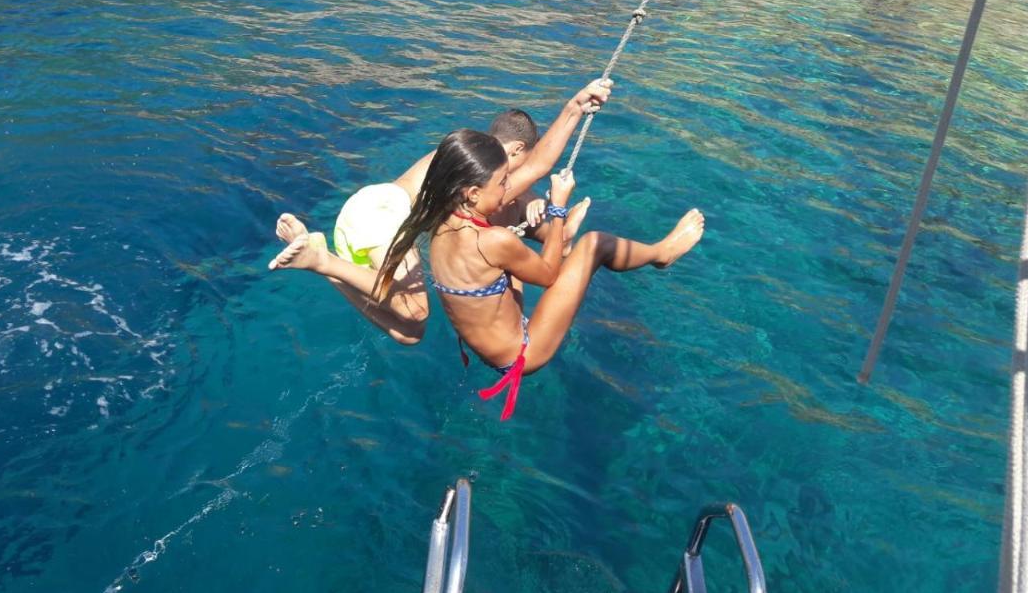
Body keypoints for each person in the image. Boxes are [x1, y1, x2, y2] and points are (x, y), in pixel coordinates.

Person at [375, 129, 705, 420]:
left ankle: (560, 242)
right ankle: (662, 254)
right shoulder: (491, 241)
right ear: (472, 192)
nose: (507, 189)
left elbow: (501, 217)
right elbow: (548, 277)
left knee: (509, 225)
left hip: (488, 342)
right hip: (522, 352)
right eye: (502, 182)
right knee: (593, 244)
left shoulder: (441, 223)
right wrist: (558, 207)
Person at [267, 80, 612, 344]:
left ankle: (324, 263)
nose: (509, 181)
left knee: (410, 332)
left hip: (365, 209)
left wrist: (553, 228)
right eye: (508, 174)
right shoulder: (480, 166)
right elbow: (538, 166)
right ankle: (321, 260)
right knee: (415, 309)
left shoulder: (466, 158)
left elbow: (504, 210)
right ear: (516, 149)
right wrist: (574, 108)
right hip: (384, 213)